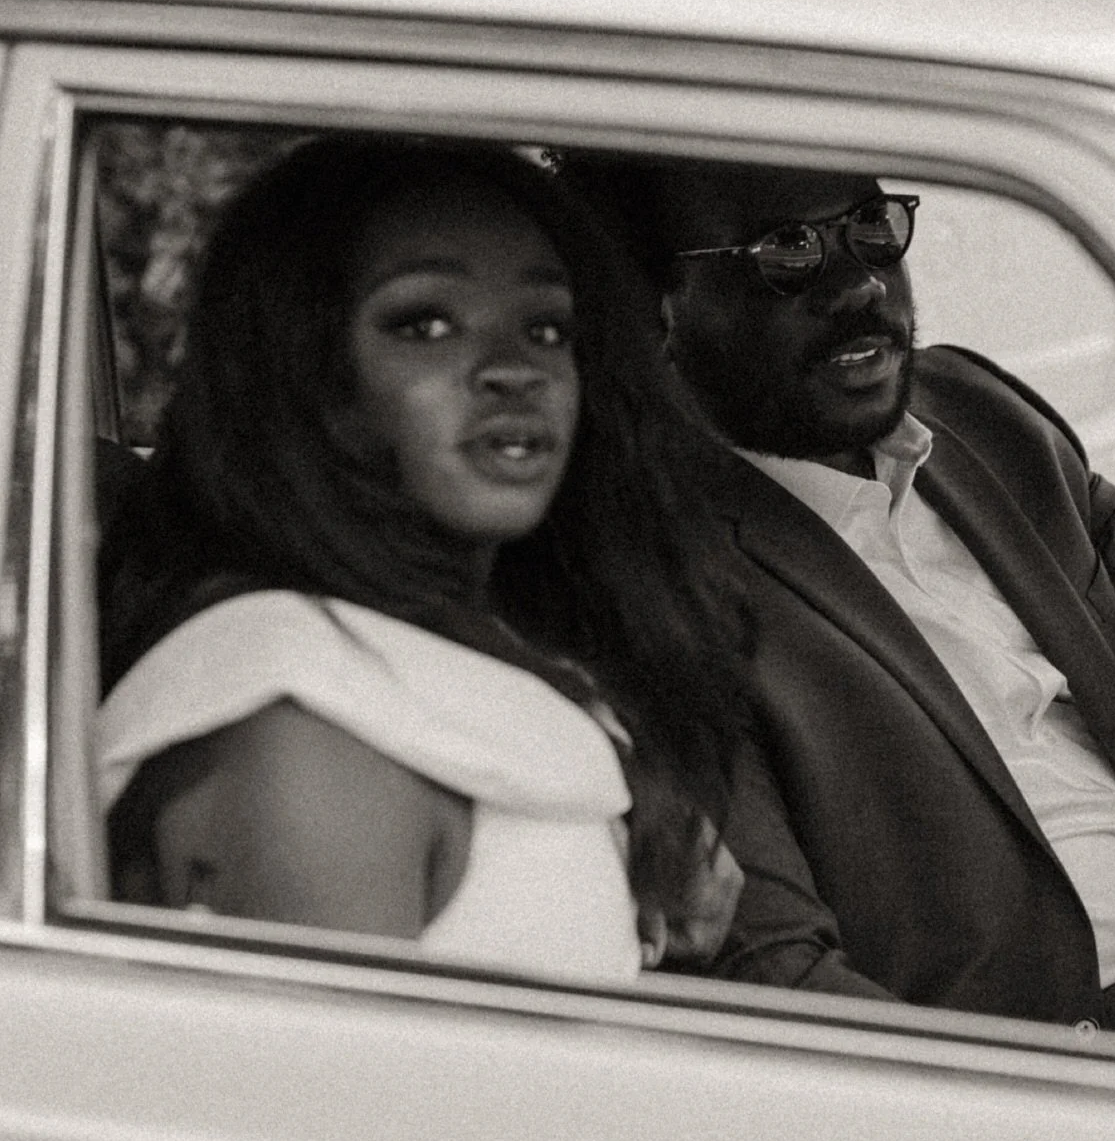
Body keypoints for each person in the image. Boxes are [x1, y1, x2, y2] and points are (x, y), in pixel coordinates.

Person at [569, 152, 1115, 1050]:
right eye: (788, 251)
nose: (860, 283)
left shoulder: (972, 416)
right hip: (1048, 1037)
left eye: (871, 227)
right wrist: (998, 1099)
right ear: (655, 310)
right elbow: (780, 972)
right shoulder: (653, 590)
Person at [98, 135, 748, 981]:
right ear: (308, 373)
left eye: (547, 328)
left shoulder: (485, 653)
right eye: (426, 324)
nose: (515, 370)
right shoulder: (304, 717)